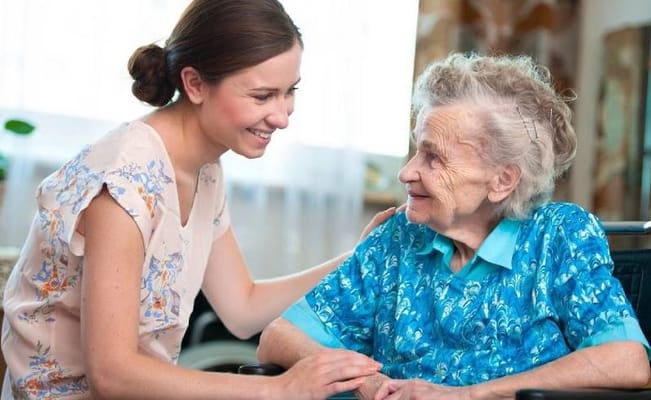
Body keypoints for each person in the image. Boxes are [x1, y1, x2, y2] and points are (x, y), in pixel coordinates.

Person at [0, 1, 390, 399]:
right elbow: (112, 374)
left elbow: (243, 308)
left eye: (290, 91)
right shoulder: (123, 183)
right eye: (262, 96)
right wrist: (280, 389)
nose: (283, 116)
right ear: (196, 84)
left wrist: (358, 256)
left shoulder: (204, 169)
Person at [256, 52, 651, 400]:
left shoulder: (559, 235)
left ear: (502, 181)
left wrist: (468, 395)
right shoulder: (398, 238)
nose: (406, 172)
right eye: (416, 149)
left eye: (433, 157)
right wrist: (368, 383)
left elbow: (626, 360)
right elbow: (278, 338)